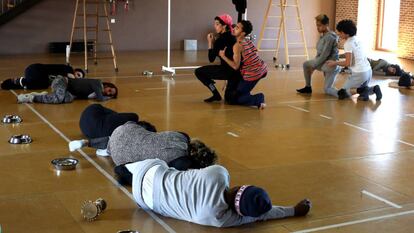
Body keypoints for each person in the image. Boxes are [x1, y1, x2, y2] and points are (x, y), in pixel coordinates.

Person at [120, 158, 311, 227]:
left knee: (169, 165)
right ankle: (127, 176)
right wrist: (293, 210)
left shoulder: (218, 172)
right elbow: (261, 216)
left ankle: (124, 169)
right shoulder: (219, 218)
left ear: (238, 187)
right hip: (144, 201)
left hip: (151, 169)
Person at [68, 121, 218, 171]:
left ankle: (87, 142)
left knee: (129, 132)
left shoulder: (183, 136)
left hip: (121, 131)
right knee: (126, 145)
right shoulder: (182, 162)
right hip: (120, 158)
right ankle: (107, 150)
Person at [326, 20, 382, 101]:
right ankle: (373, 89)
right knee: (358, 90)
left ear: (346, 33)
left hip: (360, 74)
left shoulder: (348, 44)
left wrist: (334, 63)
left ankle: (364, 90)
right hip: (368, 72)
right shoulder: (357, 39)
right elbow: (354, 56)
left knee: (342, 93)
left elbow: (348, 63)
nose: (339, 34)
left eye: (340, 32)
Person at [219, 20, 267, 109]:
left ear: (243, 33)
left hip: (253, 73)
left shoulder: (237, 46)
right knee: (241, 92)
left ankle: (259, 98)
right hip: (262, 69)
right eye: (234, 27)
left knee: (237, 99)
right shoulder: (248, 41)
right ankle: (250, 95)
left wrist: (223, 56)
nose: (233, 29)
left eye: (237, 28)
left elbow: (235, 66)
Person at [195, 14, 241, 103]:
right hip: (236, 73)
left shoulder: (220, 40)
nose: (214, 26)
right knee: (229, 99)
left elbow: (211, 59)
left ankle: (215, 94)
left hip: (226, 72)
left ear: (224, 26)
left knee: (198, 72)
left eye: (217, 24)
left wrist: (210, 43)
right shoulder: (233, 37)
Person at [296, 14, 340, 97]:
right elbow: (319, 54)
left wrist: (314, 66)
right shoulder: (323, 35)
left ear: (326, 25)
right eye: (317, 25)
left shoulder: (330, 37)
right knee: (306, 64)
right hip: (324, 63)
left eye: (319, 25)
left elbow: (324, 55)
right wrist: (313, 64)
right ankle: (308, 87)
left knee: (327, 89)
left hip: (331, 65)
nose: (317, 27)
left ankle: (343, 93)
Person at [16, 75, 117, 104]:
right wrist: (107, 99)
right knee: (59, 99)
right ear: (107, 85)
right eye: (110, 91)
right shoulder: (98, 83)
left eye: (110, 94)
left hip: (65, 89)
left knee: (68, 99)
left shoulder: (94, 93)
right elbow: (100, 99)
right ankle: (31, 98)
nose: (108, 94)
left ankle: (40, 94)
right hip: (62, 81)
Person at [1, 63, 84, 90]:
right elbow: (71, 76)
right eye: (78, 75)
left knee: (43, 85)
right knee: (43, 84)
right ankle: (22, 82)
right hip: (36, 69)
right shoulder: (68, 68)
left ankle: (9, 84)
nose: (78, 77)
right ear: (76, 71)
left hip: (35, 73)